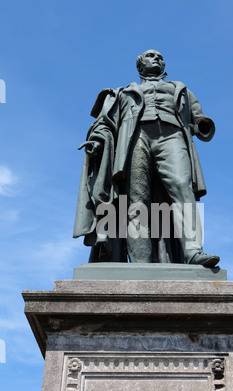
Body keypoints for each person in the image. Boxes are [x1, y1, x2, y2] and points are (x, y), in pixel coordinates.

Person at [74, 50, 220, 267]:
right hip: (136, 138)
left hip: (172, 136)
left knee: (182, 186)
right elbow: (105, 123)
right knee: (137, 201)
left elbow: (198, 118)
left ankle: (193, 251)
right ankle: (140, 261)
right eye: (151, 56)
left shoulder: (180, 90)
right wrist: (98, 141)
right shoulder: (124, 93)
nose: (157, 58)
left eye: (160, 57)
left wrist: (201, 125)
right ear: (140, 66)